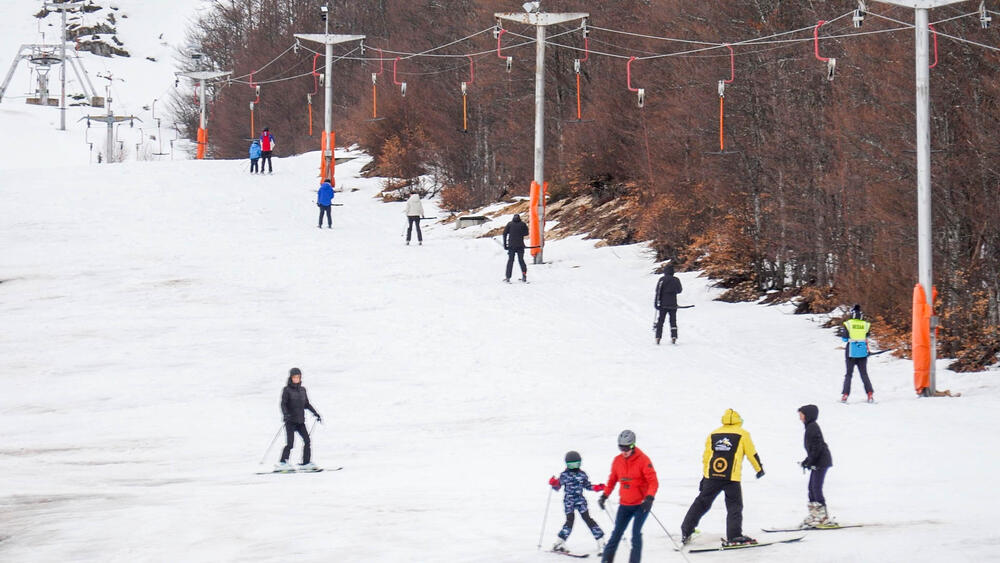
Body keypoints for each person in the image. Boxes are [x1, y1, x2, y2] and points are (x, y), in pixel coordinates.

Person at [680, 409, 764, 547]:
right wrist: (759, 469)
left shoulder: (714, 434)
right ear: (739, 420)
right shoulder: (742, 433)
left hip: (712, 476)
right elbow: (751, 453)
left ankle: (686, 530)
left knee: (702, 503)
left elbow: (707, 457)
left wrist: (704, 477)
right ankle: (734, 535)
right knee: (734, 505)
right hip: (731, 477)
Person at [597, 430, 658, 563]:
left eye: (627, 447)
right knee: (616, 534)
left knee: (635, 534)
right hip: (625, 504)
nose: (624, 451)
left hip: (641, 505)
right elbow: (612, 480)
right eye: (621, 447)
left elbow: (653, 481)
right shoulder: (617, 461)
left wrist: (649, 498)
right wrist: (604, 496)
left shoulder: (643, 460)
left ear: (633, 445)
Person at [548, 451, 606, 555]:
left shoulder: (582, 475)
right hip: (569, 502)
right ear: (567, 464)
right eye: (571, 465)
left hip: (580, 501)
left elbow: (587, 486)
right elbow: (557, 487)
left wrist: (596, 487)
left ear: (580, 463)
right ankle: (559, 543)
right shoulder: (564, 475)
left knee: (588, 519)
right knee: (569, 521)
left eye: (576, 464)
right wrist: (554, 483)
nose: (574, 467)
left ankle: (601, 542)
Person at [277, 368, 322, 470]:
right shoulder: (286, 390)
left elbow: (306, 404)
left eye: (298, 377)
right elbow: (283, 404)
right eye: (294, 377)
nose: (296, 379)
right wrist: (285, 414)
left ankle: (306, 463)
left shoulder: (303, 390)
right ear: (291, 378)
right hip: (290, 421)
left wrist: (315, 413)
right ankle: (282, 463)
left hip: (300, 421)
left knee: (307, 440)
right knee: (290, 444)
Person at [797, 404, 834, 528]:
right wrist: (807, 461)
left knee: (816, 488)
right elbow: (813, 448)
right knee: (811, 488)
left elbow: (817, 447)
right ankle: (814, 515)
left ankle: (823, 517)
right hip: (818, 461)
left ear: (808, 415)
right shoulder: (810, 427)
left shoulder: (812, 427)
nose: (800, 418)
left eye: (801, 415)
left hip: (821, 462)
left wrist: (810, 461)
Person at [838, 304, 874, 403]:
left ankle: (845, 395)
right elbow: (867, 336)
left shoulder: (848, 324)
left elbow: (844, 339)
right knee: (864, 373)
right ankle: (870, 394)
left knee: (849, 374)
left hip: (851, 351)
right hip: (862, 351)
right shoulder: (866, 324)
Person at [653, 263, 683, 345]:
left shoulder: (662, 280)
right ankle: (674, 337)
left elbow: (658, 292)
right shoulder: (676, 279)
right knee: (673, 321)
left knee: (660, 321)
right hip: (673, 304)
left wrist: (656, 303)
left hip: (663, 304)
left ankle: (658, 337)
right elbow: (679, 290)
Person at [502, 214, 529, 283]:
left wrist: (505, 245)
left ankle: (508, 277)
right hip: (520, 245)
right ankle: (524, 276)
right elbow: (526, 233)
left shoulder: (510, 224)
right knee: (521, 260)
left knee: (510, 261)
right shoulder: (523, 224)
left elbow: (504, 234)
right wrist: (520, 233)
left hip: (511, 246)